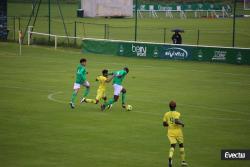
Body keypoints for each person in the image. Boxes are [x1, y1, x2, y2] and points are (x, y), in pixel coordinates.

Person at [163, 101, 188, 167]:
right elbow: (176, 121)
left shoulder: (166, 114)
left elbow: (164, 124)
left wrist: (168, 124)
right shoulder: (177, 113)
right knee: (181, 145)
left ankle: (170, 157)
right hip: (178, 132)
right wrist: (182, 123)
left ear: (169, 106)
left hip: (170, 132)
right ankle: (183, 161)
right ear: (175, 106)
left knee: (173, 145)